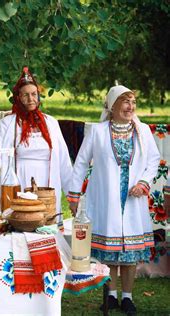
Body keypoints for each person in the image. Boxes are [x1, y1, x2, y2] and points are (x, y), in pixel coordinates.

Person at [68, 85, 160, 315]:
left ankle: (127, 297)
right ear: (112, 105)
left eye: (133, 102)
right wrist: (73, 194)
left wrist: (144, 183)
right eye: (125, 101)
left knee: (129, 252)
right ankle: (109, 296)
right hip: (105, 199)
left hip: (132, 198)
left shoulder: (143, 131)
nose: (131, 107)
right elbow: (80, 163)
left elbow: (153, 160)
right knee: (109, 251)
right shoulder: (97, 131)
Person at [0, 67, 72, 219]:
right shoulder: (8, 123)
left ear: (38, 96)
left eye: (34, 94)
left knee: (45, 222)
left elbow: (63, 160)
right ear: (18, 98)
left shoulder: (51, 123)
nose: (31, 99)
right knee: (19, 220)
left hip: (46, 184)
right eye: (25, 95)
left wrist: (72, 194)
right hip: (18, 181)